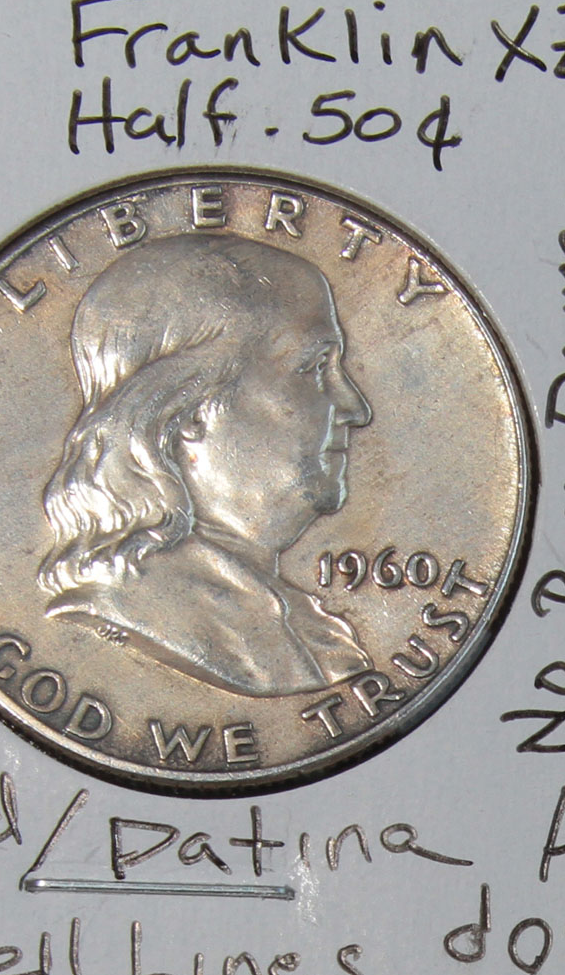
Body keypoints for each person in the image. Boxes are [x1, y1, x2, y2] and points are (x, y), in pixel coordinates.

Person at [38, 233, 374, 696]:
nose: (355, 408)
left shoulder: (313, 633)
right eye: (315, 367)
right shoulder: (131, 614)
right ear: (188, 410)